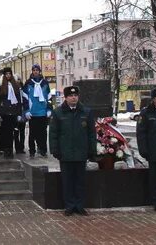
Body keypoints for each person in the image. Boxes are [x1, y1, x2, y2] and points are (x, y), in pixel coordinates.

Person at [49, 86, 96, 216]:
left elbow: (92, 133)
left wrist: (92, 150)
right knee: (68, 181)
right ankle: (69, 206)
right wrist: (55, 150)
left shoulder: (86, 112)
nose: (73, 97)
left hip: (81, 153)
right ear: (66, 97)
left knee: (80, 181)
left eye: (75, 95)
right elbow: (53, 133)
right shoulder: (58, 113)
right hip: (66, 153)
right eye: (70, 96)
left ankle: (80, 205)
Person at [23, 64, 52, 158]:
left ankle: (43, 149)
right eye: (34, 70)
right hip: (32, 113)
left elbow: (49, 97)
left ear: (40, 71)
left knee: (43, 133)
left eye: (37, 70)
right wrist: (26, 110)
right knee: (32, 134)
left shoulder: (45, 83)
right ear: (32, 71)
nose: (35, 72)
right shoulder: (28, 83)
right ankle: (32, 151)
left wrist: (49, 109)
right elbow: (25, 98)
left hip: (43, 112)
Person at [0, 68, 24, 159]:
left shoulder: (15, 85)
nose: (8, 75)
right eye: (6, 74)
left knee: (13, 132)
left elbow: (19, 100)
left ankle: (11, 150)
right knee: (5, 132)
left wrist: (19, 113)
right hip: (4, 112)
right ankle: (6, 150)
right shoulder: (1, 86)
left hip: (14, 112)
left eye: (9, 74)